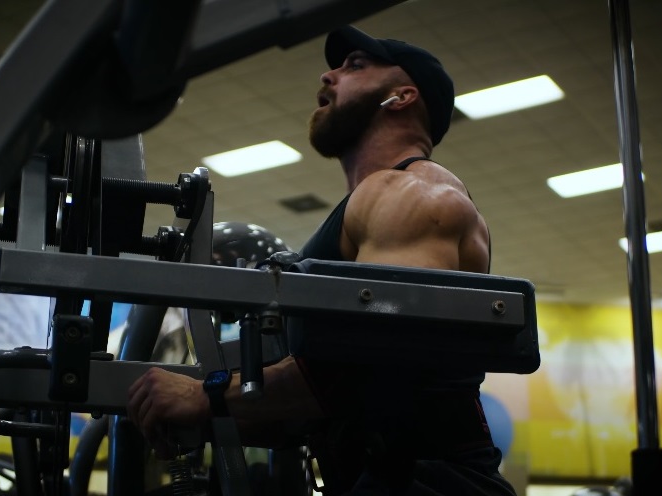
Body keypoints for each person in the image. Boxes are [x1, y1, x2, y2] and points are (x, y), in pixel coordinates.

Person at [127, 25, 517, 495]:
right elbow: (339, 400)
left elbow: (378, 363)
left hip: (431, 483)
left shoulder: (415, 194)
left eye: (355, 66)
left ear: (400, 97)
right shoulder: (367, 207)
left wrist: (205, 395)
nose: (328, 76)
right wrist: (199, 414)